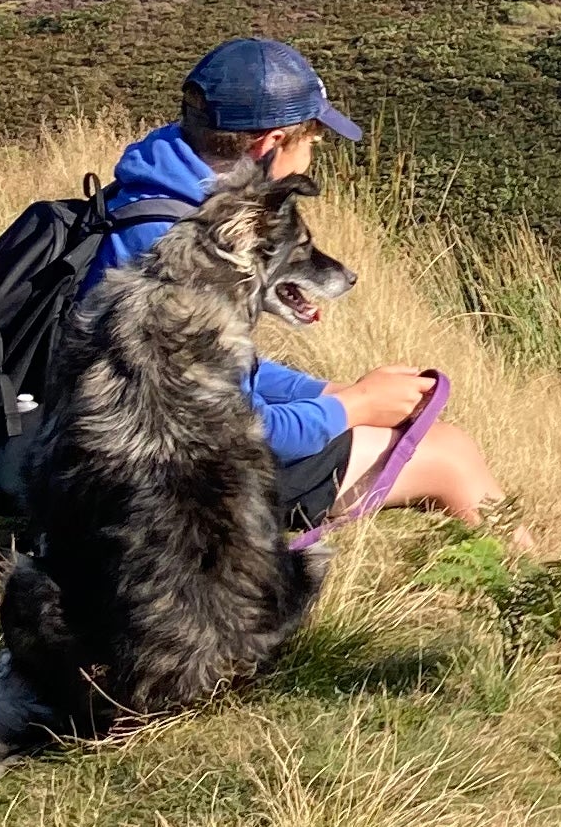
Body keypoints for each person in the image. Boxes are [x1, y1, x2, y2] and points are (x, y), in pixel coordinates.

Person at [84, 35, 503, 533]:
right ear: (271, 144)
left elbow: (210, 369)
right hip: (158, 479)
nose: (310, 159)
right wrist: (356, 406)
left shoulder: (155, 190)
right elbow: (243, 426)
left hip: (109, 448)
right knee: (451, 455)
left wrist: (328, 391)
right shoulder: (187, 252)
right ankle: (530, 573)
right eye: (311, 143)